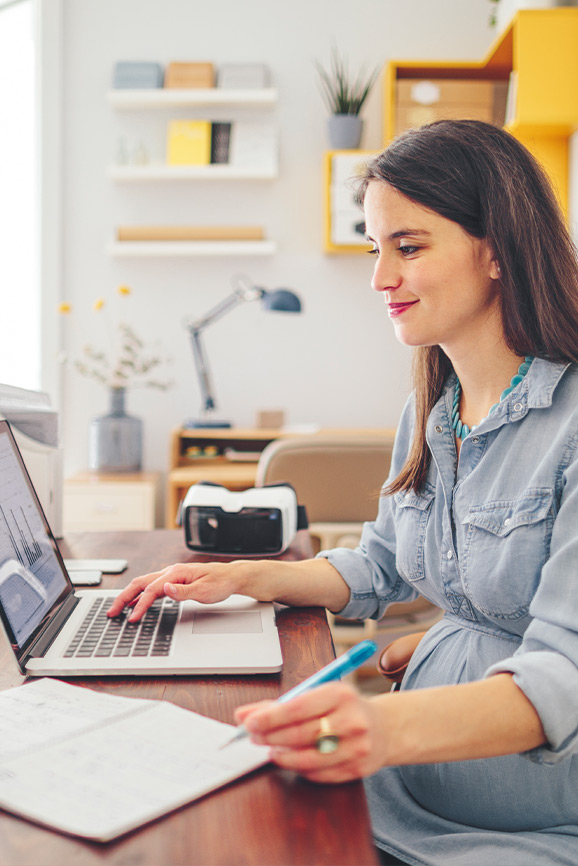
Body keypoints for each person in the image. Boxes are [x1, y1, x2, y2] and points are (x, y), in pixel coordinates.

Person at [108, 120, 578, 865]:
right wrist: (243, 579)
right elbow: (381, 565)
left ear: (496, 249)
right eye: (374, 248)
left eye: (409, 246)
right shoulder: (435, 410)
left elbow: (565, 677)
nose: (379, 278)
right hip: (407, 774)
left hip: (525, 819)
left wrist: (375, 727)